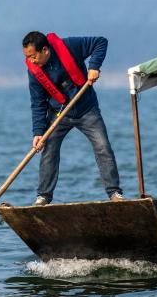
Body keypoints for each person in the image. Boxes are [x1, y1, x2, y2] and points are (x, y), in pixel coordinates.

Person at [23, 31, 124, 205]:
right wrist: (38, 132)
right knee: (49, 152)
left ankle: (114, 193)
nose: (31, 61)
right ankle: (43, 197)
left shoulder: (69, 47)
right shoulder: (33, 71)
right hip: (59, 114)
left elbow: (100, 41)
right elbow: (38, 103)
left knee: (103, 147)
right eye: (28, 57)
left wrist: (94, 66)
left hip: (87, 109)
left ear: (45, 50)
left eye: (33, 56)